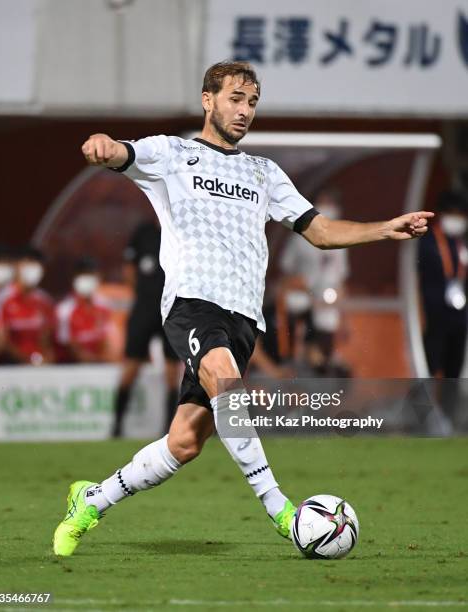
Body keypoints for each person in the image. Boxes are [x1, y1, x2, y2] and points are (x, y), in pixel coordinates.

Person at [53, 60, 433, 556]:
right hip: (192, 304)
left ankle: (91, 500)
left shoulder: (264, 172)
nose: (245, 110)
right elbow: (120, 152)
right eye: (235, 98)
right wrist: (102, 145)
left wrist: (384, 229)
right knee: (226, 383)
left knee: (185, 443)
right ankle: (281, 512)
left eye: (252, 101)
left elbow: (317, 231)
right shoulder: (172, 154)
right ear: (208, 100)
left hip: (242, 321)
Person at [111, 221, 180, 438]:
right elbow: (129, 267)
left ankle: (169, 429)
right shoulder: (144, 232)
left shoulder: (182, 230)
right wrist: (143, 291)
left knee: (172, 372)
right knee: (131, 366)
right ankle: (116, 426)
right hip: (144, 309)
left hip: (171, 310)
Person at [279, 188, 350, 375]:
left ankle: (324, 363)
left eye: (330, 202)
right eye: (323, 201)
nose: (327, 207)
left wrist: (344, 318)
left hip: (326, 300)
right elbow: (285, 271)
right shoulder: (299, 234)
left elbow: (341, 279)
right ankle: (293, 358)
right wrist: (302, 289)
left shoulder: (341, 237)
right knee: (296, 304)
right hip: (303, 296)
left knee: (328, 319)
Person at [418, 189, 468, 422]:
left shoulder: (462, 245)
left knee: (453, 370)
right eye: (452, 213)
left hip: (459, 319)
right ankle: (421, 417)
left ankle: (448, 416)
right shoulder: (429, 241)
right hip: (435, 315)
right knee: (430, 366)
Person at [1, 246, 55, 365]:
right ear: (16, 266)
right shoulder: (2, 299)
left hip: (39, 366)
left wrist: (45, 358)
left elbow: (46, 338)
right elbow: (1, 340)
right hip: (8, 366)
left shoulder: (45, 301)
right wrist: (25, 359)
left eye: (37, 265)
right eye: (28, 263)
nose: (32, 269)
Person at [56, 257, 111, 363]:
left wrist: (103, 360)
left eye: (91, 275)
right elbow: (71, 348)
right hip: (71, 368)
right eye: (82, 275)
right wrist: (97, 361)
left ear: (99, 277)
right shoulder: (64, 310)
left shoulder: (103, 306)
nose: (87, 279)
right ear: (74, 279)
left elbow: (105, 343)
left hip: (98, 366)